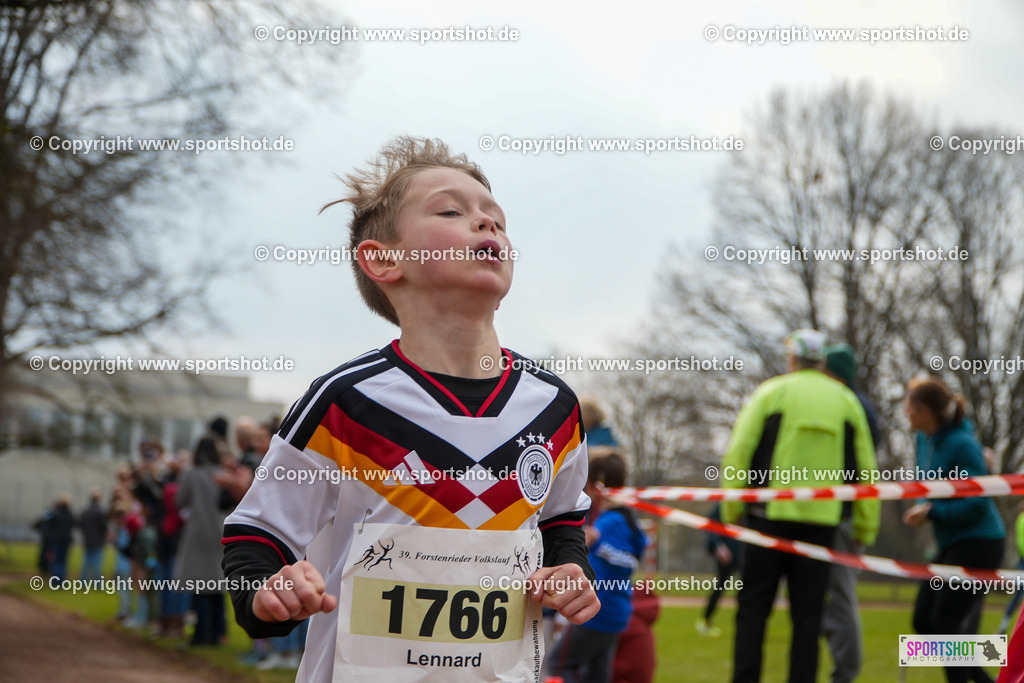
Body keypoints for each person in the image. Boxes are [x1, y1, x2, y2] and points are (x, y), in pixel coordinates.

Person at [222, 137, 599, 682]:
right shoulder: (344, 401)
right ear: (383, 260)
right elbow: (257, 532)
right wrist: (270, 594)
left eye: (496, 218)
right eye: (452, 211)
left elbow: (562, 518)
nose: (487, 224)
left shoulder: (555, 407)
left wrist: (569, 572)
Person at [721, 329, 880, 683]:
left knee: (752, 611)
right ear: (822, 361)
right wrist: (866, 526)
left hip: (765, 520)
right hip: (821, 524)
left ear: (791, 358)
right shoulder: (845, 401)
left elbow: (739, 452)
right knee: (808, 617)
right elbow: (867, 469)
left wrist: (732, 511)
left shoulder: (771, 392)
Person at [902, 376, 1005, 683]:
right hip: (951, 543)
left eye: (911, 405)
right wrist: (927, 506)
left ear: (928, 411)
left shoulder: (962, 445)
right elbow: (928, 484)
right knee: (924, 622)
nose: (905, 411)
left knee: (945, 624)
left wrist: (934, 511)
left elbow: (978, 504)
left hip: (980, 543)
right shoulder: (924, 439)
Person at [551, 452, 646, 683]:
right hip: (613, 610)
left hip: (599, 610)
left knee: (558, 664)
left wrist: (599, 545)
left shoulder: (610, 521)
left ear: (594, 485)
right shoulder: (624, 517)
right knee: (597, 671)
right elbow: (643, 543)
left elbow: (631, 561)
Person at [820, 343, 881, 683]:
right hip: (843, 516)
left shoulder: (850, 406)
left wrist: (863, 525)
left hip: (840, 518)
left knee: (840, 598)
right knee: (833, 596)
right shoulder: (859, 405)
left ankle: (844, 673)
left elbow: (865, 472)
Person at [177, 437, 229, 646]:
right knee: (217, 585)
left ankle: (200, 634)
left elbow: (180, 500)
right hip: (220, 532)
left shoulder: (191, 474)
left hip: (198, 533)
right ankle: (217, 633)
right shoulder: (222, 473)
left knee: (198, 585)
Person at [697, 503, 740, 637]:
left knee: (749, 588)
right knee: (720, 586)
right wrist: (719, 546)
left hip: (744, 552)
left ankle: (744, 626)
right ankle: (705, 620)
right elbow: (710, 526)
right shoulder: (723, 504)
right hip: (726, 553)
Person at [999, 500, 1024, 635]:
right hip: (1023, 561)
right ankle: (1003, 627)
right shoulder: (1022, 519)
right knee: (1017, 598)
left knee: (1017, 598)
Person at [79, 489, 108, 581]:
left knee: (86, 562)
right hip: (98, 540)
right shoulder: (100, 512)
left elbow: (81, 525)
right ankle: (97, 582)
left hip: (87, 539)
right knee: (96, 562)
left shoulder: (85, 512)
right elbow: (103, 527)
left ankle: (83, 581)